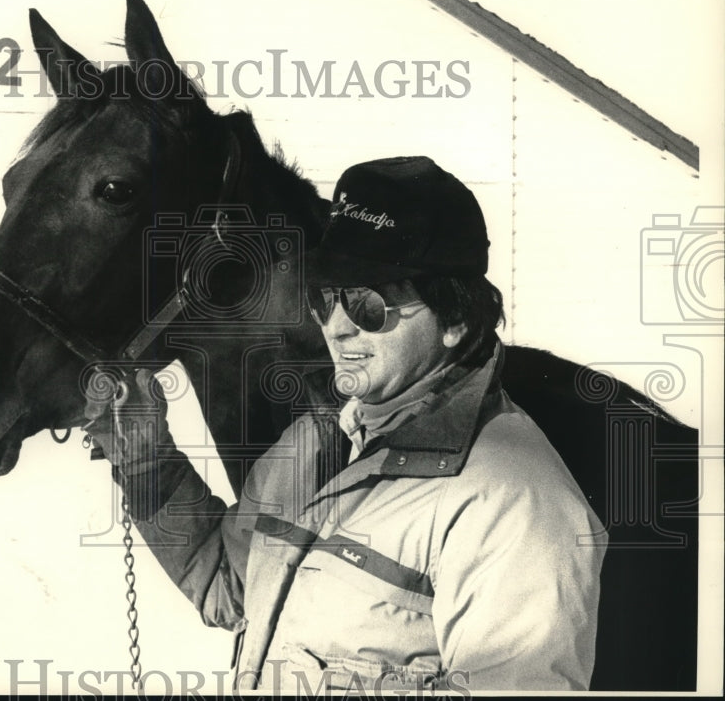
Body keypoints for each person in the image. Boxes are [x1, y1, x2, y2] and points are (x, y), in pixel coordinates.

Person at [86, 156, 607, 693]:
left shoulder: (513, 501)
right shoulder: (317, 440)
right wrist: (143, 452)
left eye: (367, 305)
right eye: (324, 298)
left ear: (455, 319)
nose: (337, 328)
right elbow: (228, 583)